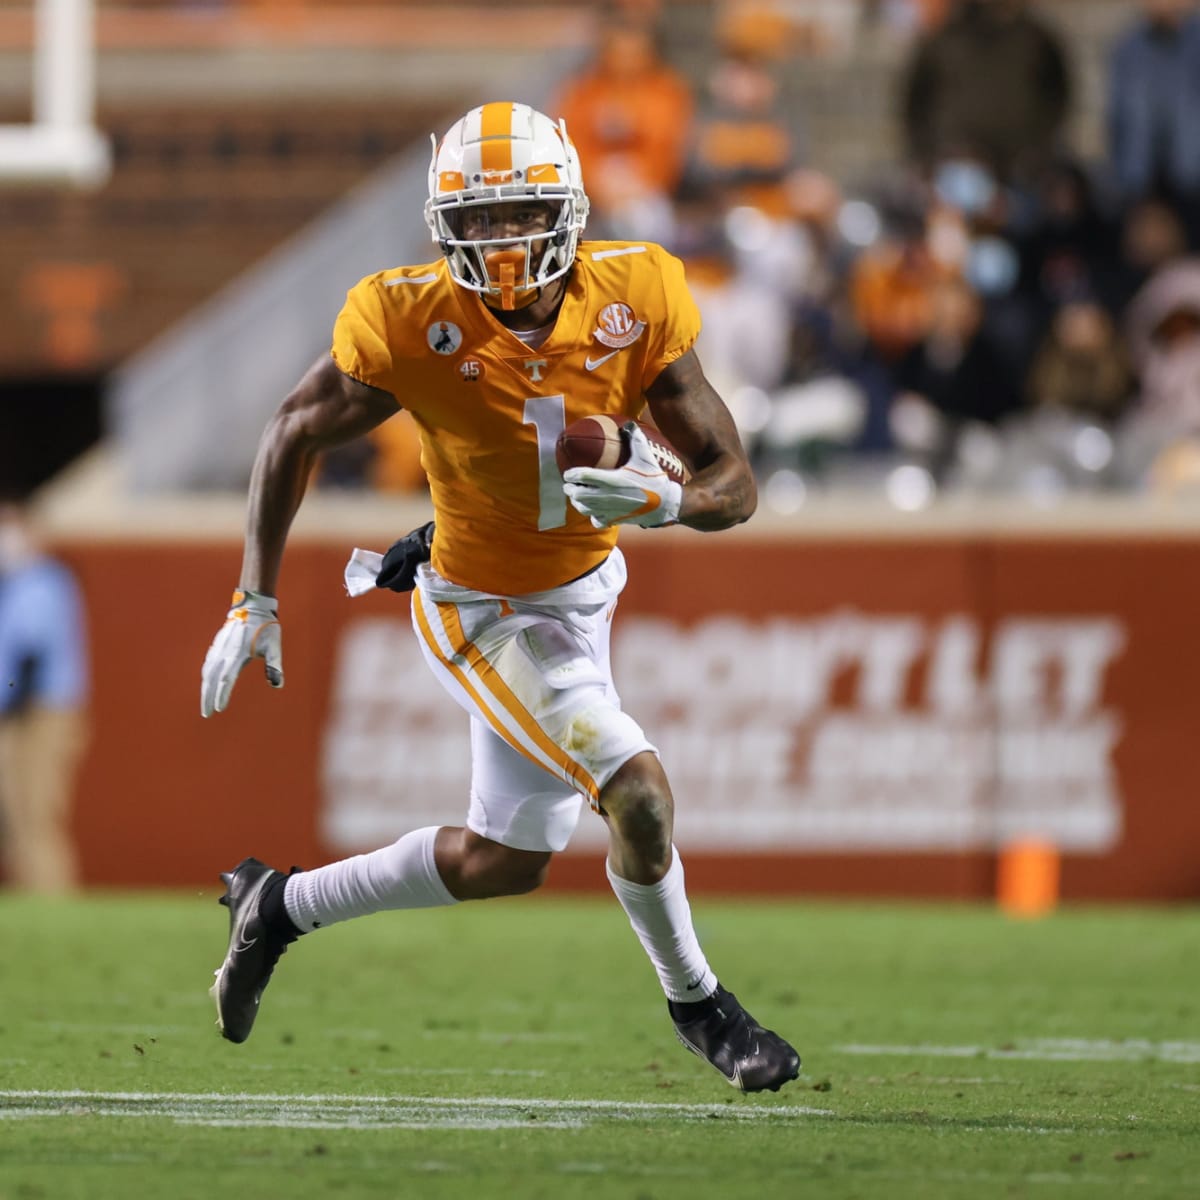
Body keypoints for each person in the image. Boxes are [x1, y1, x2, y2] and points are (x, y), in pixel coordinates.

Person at [199, 101, 801, 1095]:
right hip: (479, 607)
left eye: (518, 213)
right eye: (475, 221)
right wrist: (250, 599)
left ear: (568, 209)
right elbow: (291, 431)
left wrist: (671, 503)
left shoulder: (635, 293)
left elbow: (734, 483)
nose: (500, 241)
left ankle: (279, 905)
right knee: (638, 794)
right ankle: (701, 1004)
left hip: (583, 591)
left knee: (505, 860)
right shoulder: (409, 316)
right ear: (444, 228)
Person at [0, 496, 90, 892]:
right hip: (24, 710)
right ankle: (33, 899)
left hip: (39, 713)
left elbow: (31, 656)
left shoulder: (42, 581)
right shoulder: (15, 584)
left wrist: (11, 709)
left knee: (35, 812)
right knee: (16, 814)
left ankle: (50, 900)